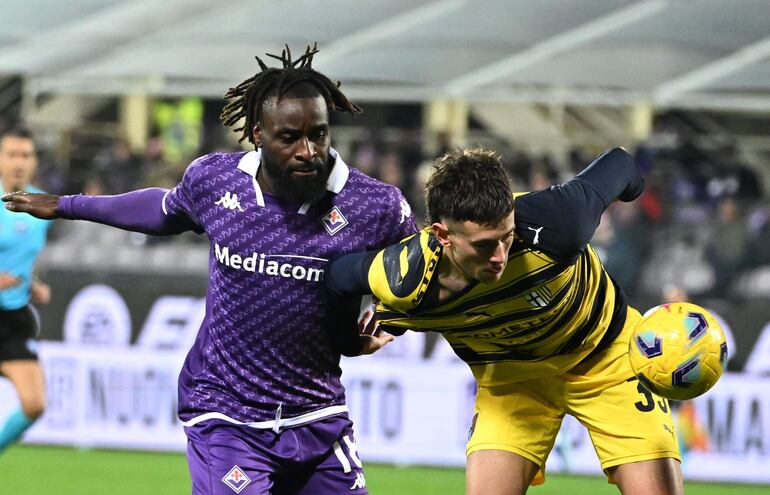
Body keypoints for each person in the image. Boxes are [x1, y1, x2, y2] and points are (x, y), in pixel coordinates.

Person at [3, 44, 417, 494]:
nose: (308, 150)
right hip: (225, 414)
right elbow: (162, 211)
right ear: (258, 134)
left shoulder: (375, 205)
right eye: (290, 137)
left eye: (319, 134)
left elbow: (421, 269)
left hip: (318, 416)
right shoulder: (217, 181)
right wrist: (67, 205)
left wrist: (392, 317)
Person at [325, 147, 683, 494]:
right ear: (442, 235)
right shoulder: (406, 280)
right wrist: (348, 342)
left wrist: (637, 192)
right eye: (484, 245)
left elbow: (621, 163)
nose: (499, 256)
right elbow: (338, 277)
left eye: (507, 237)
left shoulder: (558, 221)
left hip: (607, 359)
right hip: (511, 381)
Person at [0, 126, 52, 453]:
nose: (19, 162)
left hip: (12, 321)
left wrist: (32, 286)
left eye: (26, 155)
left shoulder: (41, 210)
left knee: (34, 404)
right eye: (12, 154)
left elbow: (23, 259)